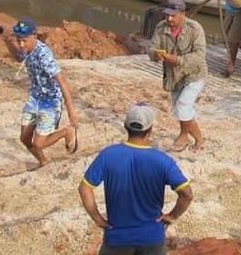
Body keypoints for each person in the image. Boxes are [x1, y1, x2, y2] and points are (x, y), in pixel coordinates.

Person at [79, 103, 193, 255]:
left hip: (117, 239)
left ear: (126, 126)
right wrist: (172, 216)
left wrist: (97, 218)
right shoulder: (163, 160)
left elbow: (84, 188)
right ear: (150, 130)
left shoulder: (108, 155)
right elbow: (187, 194)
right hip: (152, 239)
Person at [3, 18, 79, 167]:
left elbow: (61, 81)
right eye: (18, 40)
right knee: (25, 138)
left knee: (38, 144)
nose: (20, 44)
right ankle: (43, 161)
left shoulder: (44, 56)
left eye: (24, 40)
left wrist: (71, 111)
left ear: (34, 37)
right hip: (35, 97)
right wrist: (7, 40)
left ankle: (66, 132)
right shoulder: (26, 49)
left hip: (50, 102)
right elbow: (19, 57)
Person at [149, 0, 207, 152]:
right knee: (181, 110)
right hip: (174, 76)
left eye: (173, 15)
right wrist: (156, 55)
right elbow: (152, 48)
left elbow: (199, 56)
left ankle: (197, 139)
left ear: (183, 13)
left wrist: (177, 60)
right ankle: (186, 135)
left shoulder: (195, 29)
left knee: (183, 105)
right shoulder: (161, 28)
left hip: (194, 75)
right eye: (167, 15)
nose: (169, 19)